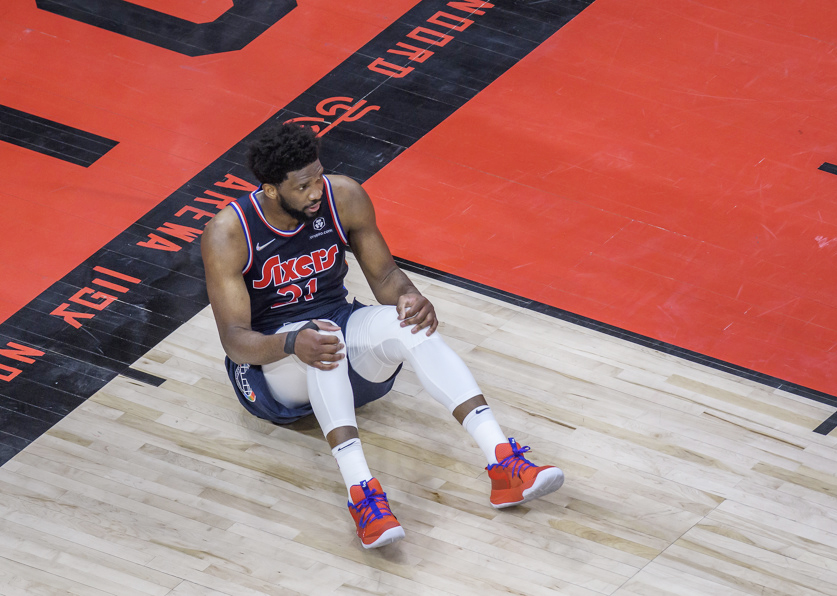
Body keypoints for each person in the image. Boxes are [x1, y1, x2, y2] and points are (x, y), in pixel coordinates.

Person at [200, 122, 564, 549]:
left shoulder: (344, 197)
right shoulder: (228, 233)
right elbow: (236, 341)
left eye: (318, 176)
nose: (317, 191)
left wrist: (411, 297)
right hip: (271, 370)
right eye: (303, 186)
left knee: (402, 322)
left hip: (338, 336)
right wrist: (290, 342)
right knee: (321, 336)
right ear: (271, 189)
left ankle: (504, 462)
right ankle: (363, 498)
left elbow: (386, 275)